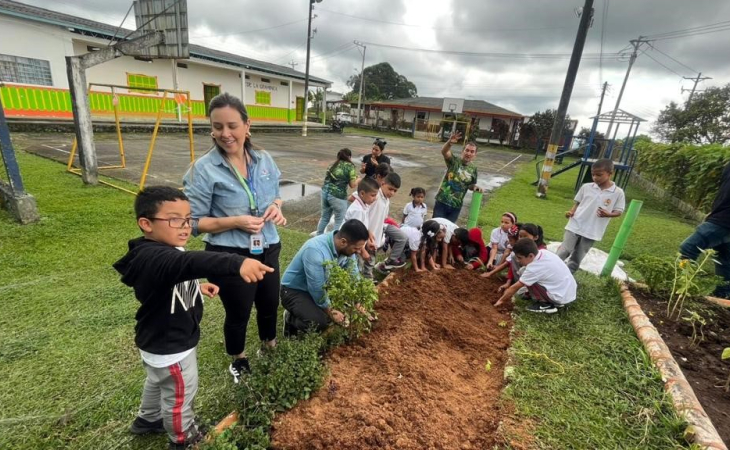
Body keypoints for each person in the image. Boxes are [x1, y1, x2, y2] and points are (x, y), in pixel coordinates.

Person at [113, 186, 272, 449]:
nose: (185, 226)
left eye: (188, 219)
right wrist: (237, 263)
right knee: (179, 395)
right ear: (146, 224)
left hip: (159, 343)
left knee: (157, 382)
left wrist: (196, 287)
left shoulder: (167, 249)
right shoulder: (153, 256)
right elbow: (189, 264)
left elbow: (170, 280)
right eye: (174, 219)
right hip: (171, 346)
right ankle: (183, 437)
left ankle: (148, 419)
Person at [182, 92, 287, 384]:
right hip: (230, 257)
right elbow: (191, 222)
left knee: (268, 305)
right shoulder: (202, 170)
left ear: (247, 125)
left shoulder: (263, 159)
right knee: (238, 312)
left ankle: (269, 345)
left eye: (231, 125)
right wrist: (235, 222)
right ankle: (239, 359)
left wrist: (277, 208)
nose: (225, 134)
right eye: (217, 127)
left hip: (269, 247)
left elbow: (276, 195)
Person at [281, 219, 370, 335]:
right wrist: (330, 311)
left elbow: (353, 274)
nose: (359, 252)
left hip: (319, 286)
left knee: (341, 310)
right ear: (343, 242)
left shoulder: (347, 250)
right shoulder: (315, 250)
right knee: (319, 323)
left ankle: (309, 310)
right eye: (356, 248)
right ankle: (290, 319)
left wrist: (358, 301)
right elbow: (317, 288)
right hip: (294, 290)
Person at [556, 158, 625, 273]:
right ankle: (549, 270)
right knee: (564, 250)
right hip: (575, 224)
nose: (595, 178)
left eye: (599, 175)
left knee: (577, 258)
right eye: (593, 175)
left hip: (592, 231)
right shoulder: (586, 187)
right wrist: (571, 212)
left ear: (610, 174)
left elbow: (619, 211)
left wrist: (609, 214)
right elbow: (577, 203)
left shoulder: (618, 192)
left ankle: (566, 277)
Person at [679, 161, 730, 298]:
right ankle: (723, 296)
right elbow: (724, 194)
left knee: (688, 247)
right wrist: (714, 212)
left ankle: (682, 286)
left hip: (724, 220)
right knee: (725, 258)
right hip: (720, 216)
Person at [494, 238, 576, 314]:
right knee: (523, 271)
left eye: (520, 258)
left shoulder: (534, 268)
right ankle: (552, 300)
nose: (518, 261)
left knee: (526, 276)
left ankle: (545, 304)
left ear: (530, 256)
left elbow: (514, 287)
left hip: (559, 296)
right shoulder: (544, 252)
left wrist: (500, 301)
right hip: (566, 292)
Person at [433, 131, 481, 223]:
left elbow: (470, 185)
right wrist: (449, 143)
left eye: (472, 151)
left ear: (475, 155)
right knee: (436, 227)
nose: (468, 153)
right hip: (442, 201)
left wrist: (475, 187)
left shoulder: (473, 169)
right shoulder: (454, 161)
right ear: (463, 151)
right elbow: (444, 151)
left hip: (456, 206)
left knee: (449, 231)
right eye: (467, 150)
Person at [316, 148, 358, 235]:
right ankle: (334, 241)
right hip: (337, 196)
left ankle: (318, 236)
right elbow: (353, 185)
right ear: (349, 157)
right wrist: (359, 179)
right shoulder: (350, 166)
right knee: (339, 220)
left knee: (324, 218)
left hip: (325, 192)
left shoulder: (332, 164)